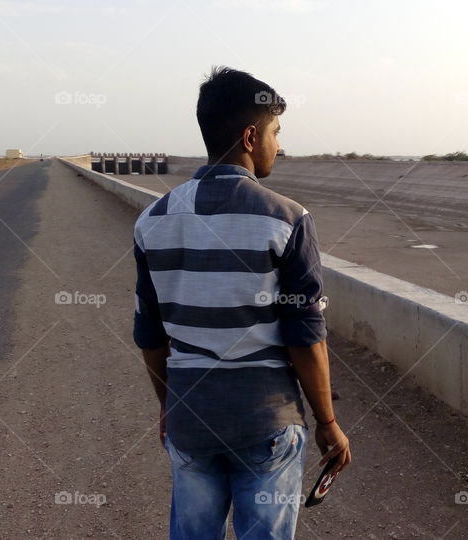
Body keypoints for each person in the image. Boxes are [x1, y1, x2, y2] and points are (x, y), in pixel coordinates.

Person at [132, 66, 352, 539]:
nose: (279, 144)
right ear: (251, 136)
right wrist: (327, 423)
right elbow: (305, 335)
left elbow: (150, 335)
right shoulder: (288, 219)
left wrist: (170, 407)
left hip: (191, 417)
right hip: (265, 420)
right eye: (276, 132)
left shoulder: (153, 220)